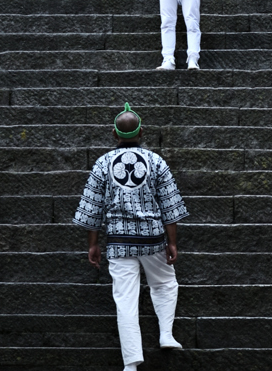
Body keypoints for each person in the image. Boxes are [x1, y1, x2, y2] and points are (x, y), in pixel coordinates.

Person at [73, 102, 188, 370]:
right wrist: (172, 242)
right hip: (153, 239)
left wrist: (93, 244)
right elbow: (169, 204)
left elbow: (93, 208)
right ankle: (166, 334)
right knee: (164, 285)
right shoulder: (155, 161)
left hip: (118, 242)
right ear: (142, 132)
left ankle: (131, 363)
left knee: (125, 300)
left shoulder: (102, 163)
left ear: (114, 135)